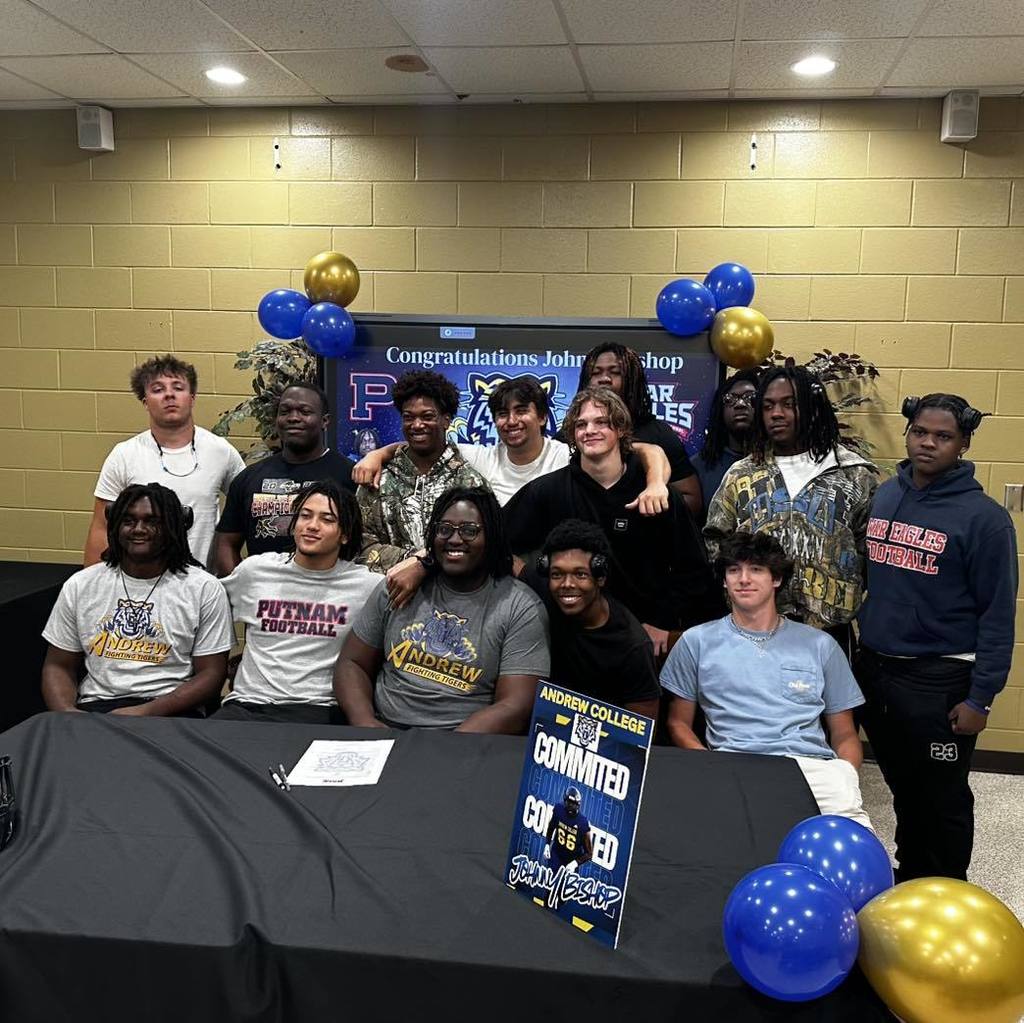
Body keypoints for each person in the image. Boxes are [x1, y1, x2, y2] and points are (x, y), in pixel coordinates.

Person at [856, 394, 1018, 881]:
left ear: (964, 444)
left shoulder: (986, 520)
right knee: (902, 787)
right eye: (920, 432)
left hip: (940, 677)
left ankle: (948, 888)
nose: (928, 443)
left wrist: (981, 698)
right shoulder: (886, 495)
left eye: (943, 436)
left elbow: (997, 613)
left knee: (942, 796)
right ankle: (912, 876)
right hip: (879, 669)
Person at [661, 531, 871, 828]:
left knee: (858, 855)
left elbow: (844, 732)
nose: (743, 579)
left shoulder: (820, 645)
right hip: (733, 766)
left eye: (756, 569)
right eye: (734, 570)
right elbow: (678, 723)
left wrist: (844, 773)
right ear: (724, 580)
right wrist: (709, 767)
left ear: (776, 579)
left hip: (811, 768)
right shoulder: (696, 642)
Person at [504, 386, 720, 656]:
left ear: (620, 429)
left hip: (645, 638)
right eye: (581, 424)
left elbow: (693, 570)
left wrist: (666, 627)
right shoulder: (547, 491)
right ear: (572, 434)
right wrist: (533, 578)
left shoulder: (657, 494)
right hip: (568, 639)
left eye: (601, 422)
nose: (589, 430)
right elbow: (496, 541)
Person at [335, 486, 549, 733]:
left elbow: (516, 704)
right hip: (385, 731)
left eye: (470, 531)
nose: (455, 539)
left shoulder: (520, 606)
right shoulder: (397, 586)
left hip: (465, 743)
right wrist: (365, 723)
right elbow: (352, 663)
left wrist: (447, 748)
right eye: (444, 529)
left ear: (492, 536)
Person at [704, 363, 878, 645]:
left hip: (828, 631)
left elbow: (869, 552)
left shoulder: (854, 474)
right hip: (754, 626)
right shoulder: (741, 474)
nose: (776, 414)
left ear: (812, 408)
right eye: (768, 405)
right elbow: (716, 542)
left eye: (789, 404)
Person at [42, 483, 232, 716]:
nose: (139, 529)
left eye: (152, 521)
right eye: (128, 520)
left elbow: (211, 675)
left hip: (170, 709)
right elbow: (58, 665)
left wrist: (144, 712)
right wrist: (68, 715)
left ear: (173, 526)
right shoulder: (81, 585)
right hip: (97, 707)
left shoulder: (203, 588)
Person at [216, 480, 382, 724]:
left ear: (345, 535)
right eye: (305, 516)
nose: (312, 526)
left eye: (327, 519)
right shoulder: (254, 571)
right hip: (248, 705)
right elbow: (204, 606)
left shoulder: (368, 586)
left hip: (319, 709)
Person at [84, 355, 245, 568]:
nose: (169, 394)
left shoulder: (221, 451)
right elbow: (101, 527)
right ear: (145, 402)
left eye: (178, 387)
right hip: (139, 582)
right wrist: (95, 586)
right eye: (158, 389)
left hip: (204, 583)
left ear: (192, 397)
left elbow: (246, 507)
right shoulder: (124, 454)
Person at [211, 382, 355, 576]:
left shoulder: (348, 475)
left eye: (305, 411)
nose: (294, 418)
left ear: (325, 421)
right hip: (262, 599)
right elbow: (226, 543)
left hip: (326, 596)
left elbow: (360, 543)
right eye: (285, 411)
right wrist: (241, 590)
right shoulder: (248, 478)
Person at [356, 370, 487, 574]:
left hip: (452, 595)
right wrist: (413, 561)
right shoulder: (378, 477)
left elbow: (483, 548)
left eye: (427, 416)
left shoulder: (470, 482)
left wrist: (428, 566)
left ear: (446, 420)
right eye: (409, 417)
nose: (417, 425)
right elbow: (359, 544)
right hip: (388, 594)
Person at [532, 519, 659, 718]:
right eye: (557, 574)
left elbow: (640, 730)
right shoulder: (541, 593)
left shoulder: (632, 645)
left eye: (580, 575)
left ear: (600, 577)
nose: (567, 584)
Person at [576, 342, 701, 516]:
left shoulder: (659, 434)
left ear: (632, 380)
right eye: (596, 373)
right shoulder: (575, 435)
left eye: (615, 372)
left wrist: (651, 508)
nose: (604, 378)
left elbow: (692, 499)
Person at [691, 369, 760, 522]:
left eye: (750, 397)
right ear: (720, 411)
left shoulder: (778, 462)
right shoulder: (700, 466)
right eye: (730, 399)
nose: (740, 404)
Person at [544, 786, 593, 874]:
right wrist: (547, 844)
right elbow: (551, 827)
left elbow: (589, 853)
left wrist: (575, 863)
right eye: (569, 802)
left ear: (578, 804)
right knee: (550, 881)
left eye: (573, 803)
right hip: (557, 853)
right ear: (565, 800)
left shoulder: (583, 823)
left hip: (572, 859)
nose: (570, 805)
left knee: (566, 886)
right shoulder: (559, 809)